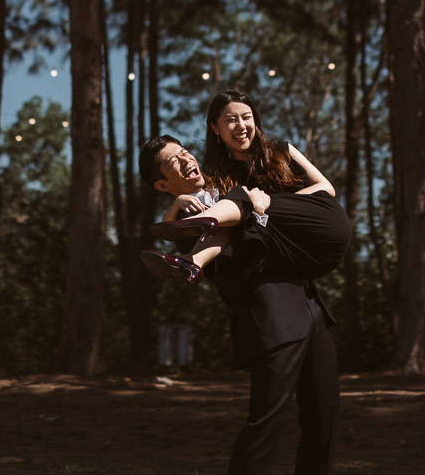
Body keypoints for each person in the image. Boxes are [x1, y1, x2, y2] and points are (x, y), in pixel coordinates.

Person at [138, 133, 341, 475]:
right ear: (162, 184)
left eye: (185, 152)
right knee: (264, 426)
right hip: (273, 322)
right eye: (174, 161)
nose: (186, 159)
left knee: (325, 418)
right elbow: (241, 271)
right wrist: (258, 218)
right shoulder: (192, 231)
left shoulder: (227, 188)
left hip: (312, 310)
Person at [139, 91, 352, 285]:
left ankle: (202, 223)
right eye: (231, 120)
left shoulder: (283, 151)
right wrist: (179, 201)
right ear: (215, 128)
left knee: (243, 200)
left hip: (323, 227)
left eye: (246, 117)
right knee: (233, 212)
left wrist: (269, 203)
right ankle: (191, 262)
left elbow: (326, 188)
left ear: (255, 121)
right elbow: (181, 224)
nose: (241, 126)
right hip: (294, 253)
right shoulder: (220, 179)